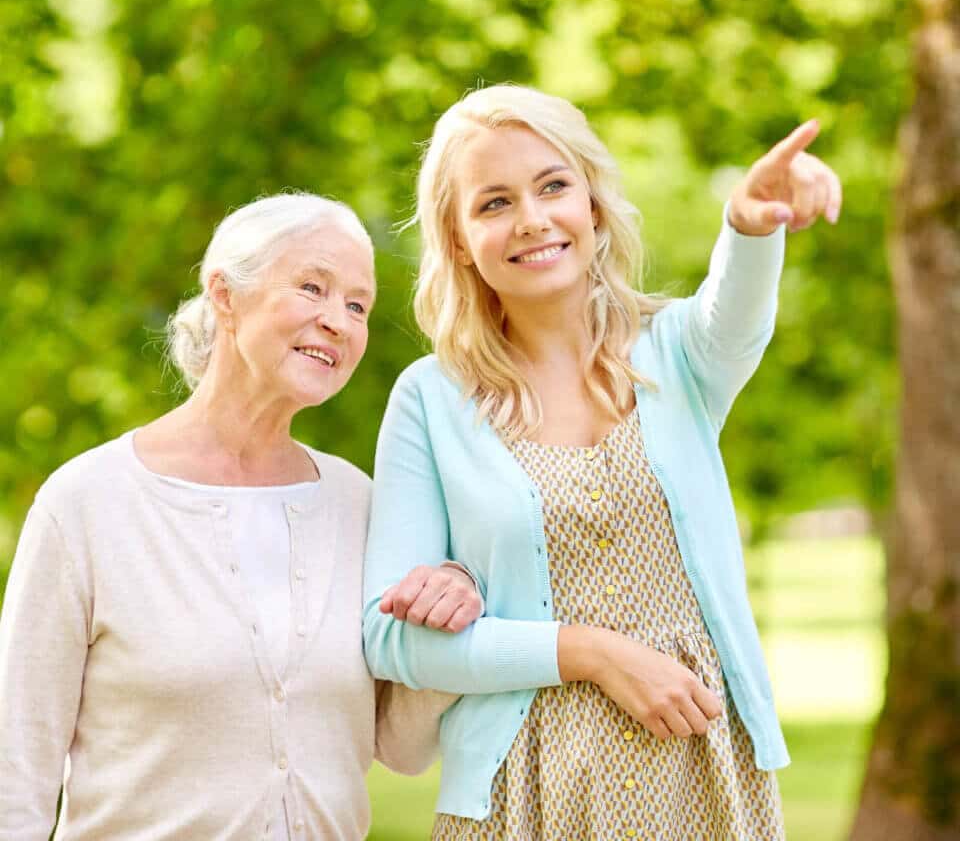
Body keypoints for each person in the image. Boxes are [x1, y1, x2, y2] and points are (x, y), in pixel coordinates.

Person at [362, 85, 843, 839]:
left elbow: (738, 306)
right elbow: (392, 637)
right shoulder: (430, 400)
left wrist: (750, 223)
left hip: (703, 780)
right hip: (519, 798)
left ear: (591, 204)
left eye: (553, 186)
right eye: (493, 203)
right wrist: (588, 653)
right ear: (457, 240)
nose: (532, 219)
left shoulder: (682, 355)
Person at [0, 192, 483, 841]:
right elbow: (15, 768)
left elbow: (399, 746)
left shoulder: (358, 503)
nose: (338, 321)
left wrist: (449, 612)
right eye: (313, 287)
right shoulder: (87, 503)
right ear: (224, 294)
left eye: (358, 305)